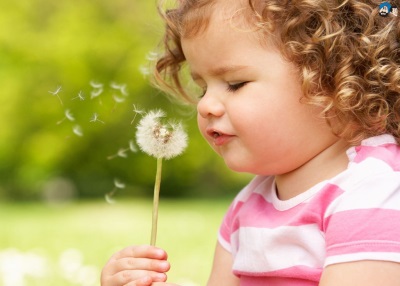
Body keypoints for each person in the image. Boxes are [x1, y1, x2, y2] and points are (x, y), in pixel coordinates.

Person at [101, 0, 400, 285]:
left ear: (334, 79)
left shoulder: (375, 194)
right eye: (203, 87)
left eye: (235, 84)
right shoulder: (249, 204)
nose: (205, 106)